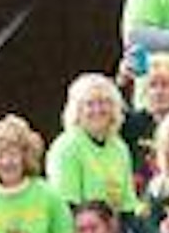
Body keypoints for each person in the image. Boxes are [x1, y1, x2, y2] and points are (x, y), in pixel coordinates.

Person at [45, 73, 139, 216]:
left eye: (104, 102)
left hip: (115, 231)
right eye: (90, 104)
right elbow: (66, 208)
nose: (98, 110)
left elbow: (128, 206)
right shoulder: (67, 146)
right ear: (77, 110)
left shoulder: (119, 147)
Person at [117, 55, 169, 196]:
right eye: (153, 85)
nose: (159, 92)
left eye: (165, 85)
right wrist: (122, 80)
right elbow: (105, 108)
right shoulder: (132, 123)